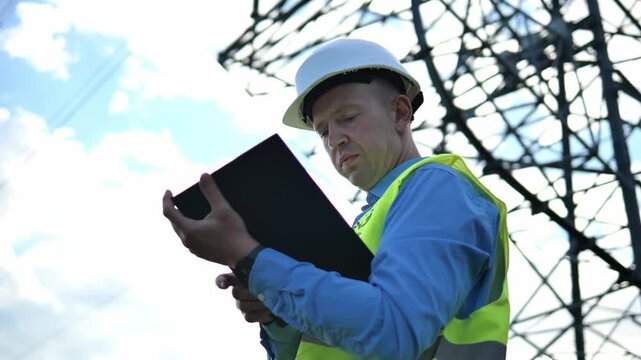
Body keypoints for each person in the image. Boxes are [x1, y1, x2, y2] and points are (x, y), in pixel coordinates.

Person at [163, 38, 510, 359]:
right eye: (324, 130)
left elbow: (396, 332)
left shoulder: (436, 188)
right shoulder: (369, 223)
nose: (334, 140)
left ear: (400, 113)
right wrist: (277, 314)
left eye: (347, 118)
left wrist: (249, 255)